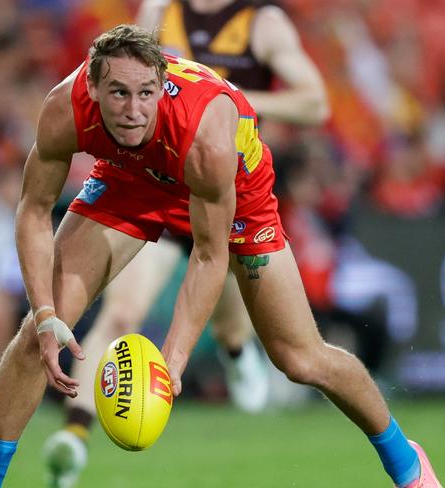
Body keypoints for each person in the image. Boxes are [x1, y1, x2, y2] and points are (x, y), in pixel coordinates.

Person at [0, 24, 442, 488]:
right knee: (36, 335)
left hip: (236, 189)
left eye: (146, 93)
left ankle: (407, 464)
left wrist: (173, 359)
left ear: (162, 85)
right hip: (128, 180)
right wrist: (47, 314)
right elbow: (33, 211)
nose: (133, 110)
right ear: (91, 85)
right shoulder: (63, 108)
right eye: (118, 94)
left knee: (300, 358)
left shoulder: (207, 134)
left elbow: (210, 256)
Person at [45, 1, 330, 484]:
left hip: (223, 190)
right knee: (120, 313)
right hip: (159, 182)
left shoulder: (261, 22)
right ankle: (76, 434)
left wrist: (233, 99)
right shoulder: (160, 9)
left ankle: (237, 352)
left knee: (228, 322)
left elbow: (316, 103)